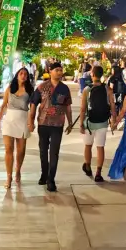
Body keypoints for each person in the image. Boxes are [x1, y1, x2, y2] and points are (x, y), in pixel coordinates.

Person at [28, 62, 74, 192]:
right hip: (43, 124)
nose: (59, 72)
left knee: (54, 152)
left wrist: (70, 122)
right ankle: (44, 173)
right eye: (56, 70)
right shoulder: (42, 87)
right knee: (43, 151)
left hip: (57, 124)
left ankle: (51, 179)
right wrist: (31, 121)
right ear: (50, 71)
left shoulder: (64, 88)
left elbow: (68, 107)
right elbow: (33, 104)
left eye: (60, 70)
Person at [0, 67, 32, 188]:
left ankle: (18, 169)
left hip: (22, 120)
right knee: (8, 149)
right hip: (9, 121)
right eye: (21, 73)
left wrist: (31, 122)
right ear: (17, 75)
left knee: (21, 151)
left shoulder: (29, 90)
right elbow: (3, 106)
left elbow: (33, 107)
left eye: (25, 74)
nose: (23, 76)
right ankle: (9, 176)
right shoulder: (10, 88)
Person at [77, 64, 115, 182]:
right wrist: (113, 120)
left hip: (89, 122)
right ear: (102, 75)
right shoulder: (107, 89)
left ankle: (88, 167)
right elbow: (112, 106)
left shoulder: (87, 89)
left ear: (92, 74)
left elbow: (83, 109)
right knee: (100, 147)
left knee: (88, 146)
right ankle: (98, 173)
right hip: (103, 122)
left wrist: (81, 124)